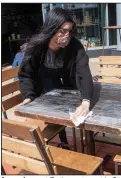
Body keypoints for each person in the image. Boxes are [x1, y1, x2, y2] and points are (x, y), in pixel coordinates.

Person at [18, 7, 93, 149]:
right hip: (45, 86)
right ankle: (60, 142)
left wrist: (86, 101)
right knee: (51, 115)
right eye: (62, 31)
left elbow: (83, 71)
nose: (66, 36)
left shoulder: (75, 46)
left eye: (69, 31)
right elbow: (26, 74)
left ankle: (74, 143)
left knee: (81, 112)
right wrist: (28, 96)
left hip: (68, 87)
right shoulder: (36, 46)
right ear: (51, 29)